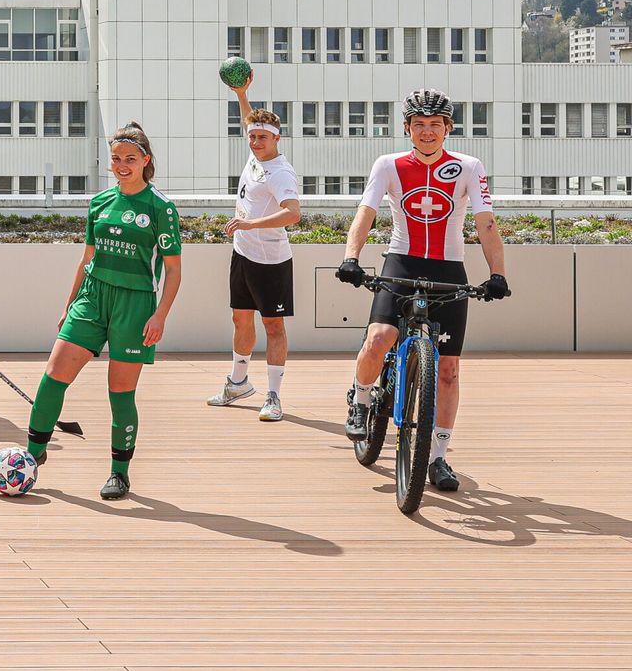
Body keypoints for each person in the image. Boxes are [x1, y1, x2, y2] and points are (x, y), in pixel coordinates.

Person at [336, 89, 512, 493]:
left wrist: (497, 274)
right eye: (419, 125)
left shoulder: (468, 167)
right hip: (402, 261)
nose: (427, 132)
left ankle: (437, 457)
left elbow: (486, 222)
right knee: (379, 337)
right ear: (407, 128)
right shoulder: (389, 165)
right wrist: (351, 257)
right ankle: (360, 400)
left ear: (448, 128)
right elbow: (366, 212)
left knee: (448, 370)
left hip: (448, 267)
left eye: (435, 125)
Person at [22, 123, 183, 500]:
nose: (122, 165)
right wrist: (69, 305)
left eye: (130, 159)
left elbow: (173, 269)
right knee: (53, 375)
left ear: (145, 160)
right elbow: (86, 259)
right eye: (116, 159)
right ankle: (33, 453)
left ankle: (119, 473)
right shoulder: (99, 203)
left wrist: (160, 315)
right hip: (92, 298)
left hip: (135, 304)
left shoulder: (161, 208)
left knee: (120, 392)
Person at [209, 77, 301, 421]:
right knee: (240, 318)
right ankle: (238, 382)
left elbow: (293, 213)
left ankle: (273, 396)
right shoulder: (255, 156)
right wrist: (241, 94)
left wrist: (250, 224)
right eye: (252, 136)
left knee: (273, 326)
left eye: (263, 137)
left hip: (270, 261)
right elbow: (249, 119)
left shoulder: (280, 173)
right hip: (243, 254)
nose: (255, 141)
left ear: (277, 139)